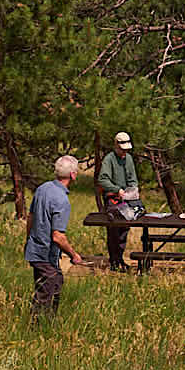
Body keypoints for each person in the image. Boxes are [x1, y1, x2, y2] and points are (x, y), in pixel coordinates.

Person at [25, 155, 85, 318]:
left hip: (35, 249)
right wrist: (74, 255)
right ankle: (38, 327)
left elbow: (31, 217)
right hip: (44, 253)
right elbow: (58, 237)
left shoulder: (42, 188)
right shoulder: (62, 200)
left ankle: (44, 325)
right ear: (72, 175)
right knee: (49, 289)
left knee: (49, 285)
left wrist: (29, 240)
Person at [97, 131, 139, 272]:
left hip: (126, 200)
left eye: (126, 150)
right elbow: (102, 180)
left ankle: (119, 259)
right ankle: (114, 261)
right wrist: (117, 190)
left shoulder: (129, 159)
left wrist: (133, 190)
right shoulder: (109, 159)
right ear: (116, 145)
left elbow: (133, 178)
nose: (124, 152)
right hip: (112, 200)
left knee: (124, 230)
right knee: (113, 230)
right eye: (122, 149)